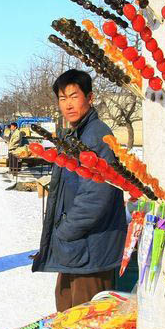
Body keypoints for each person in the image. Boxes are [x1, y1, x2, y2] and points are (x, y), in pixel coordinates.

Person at [31, 69, 128, 312]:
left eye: (74, 96)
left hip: (89, 247)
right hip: (74, 248)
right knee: (67, 320)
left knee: (86, 322)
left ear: (90, 97)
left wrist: (64, 230)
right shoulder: (75, 135)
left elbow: (96, 197)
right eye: (63, 99)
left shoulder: (96, 137)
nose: (68, 104)